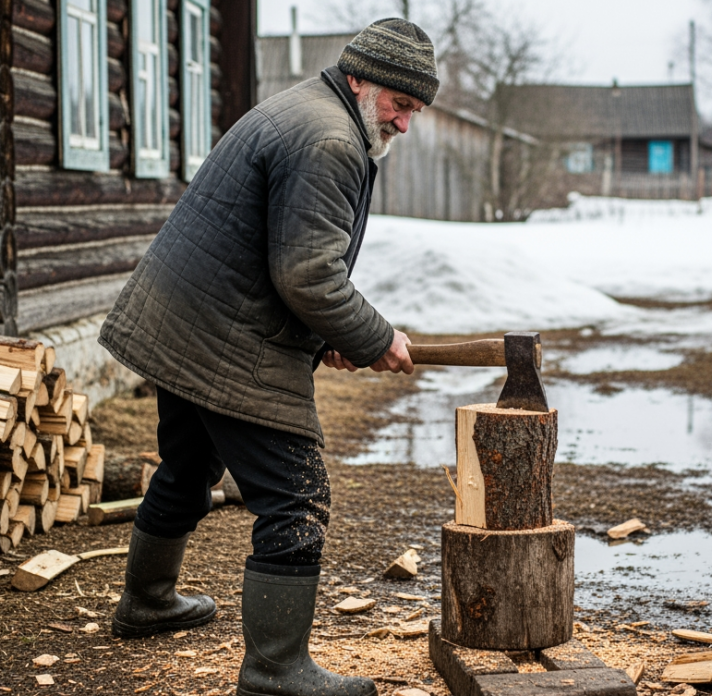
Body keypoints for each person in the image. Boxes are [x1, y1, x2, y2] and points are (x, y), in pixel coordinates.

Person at [97, 18, 437, 696]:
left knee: (189, 464)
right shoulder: (331, 138)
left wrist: (330, 334)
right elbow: (307, 274)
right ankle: (276, 669)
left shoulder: (308, 111)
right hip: (224, 337)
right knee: (295, 497)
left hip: (185, 321)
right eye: (401, 106)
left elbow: (280, 254)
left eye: (415, 111)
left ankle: (147, 602)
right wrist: (374, 337)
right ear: (363, 81)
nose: (405, 124)